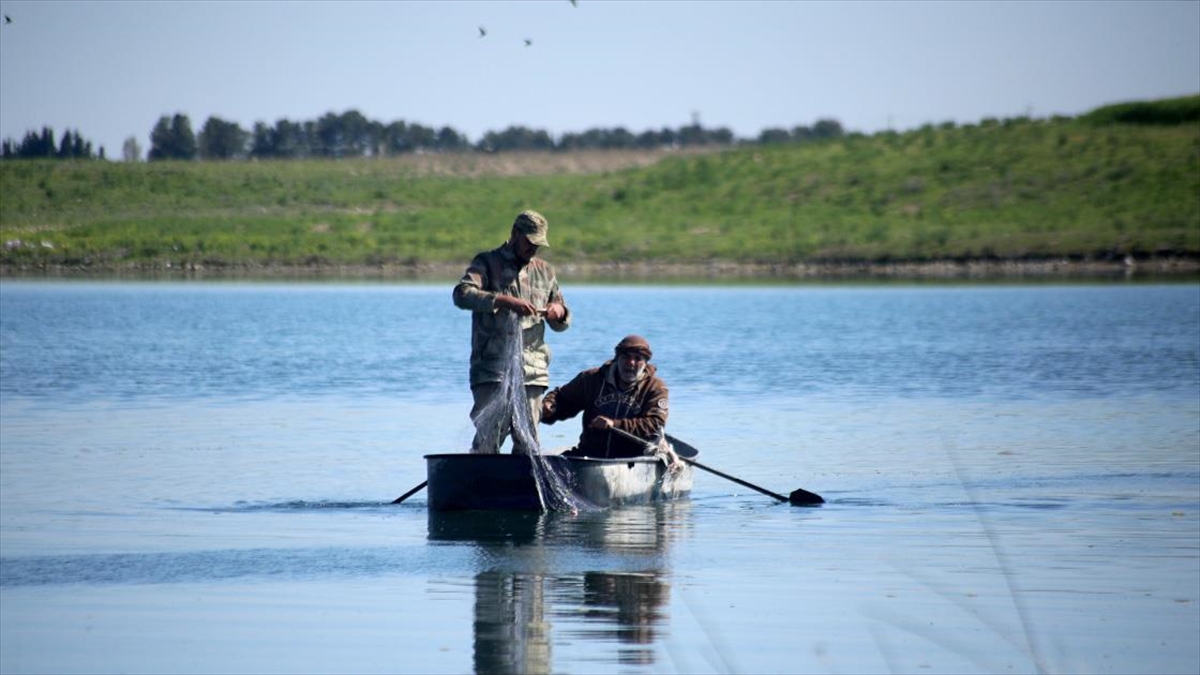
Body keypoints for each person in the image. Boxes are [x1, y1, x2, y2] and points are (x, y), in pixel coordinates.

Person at [452, 210, 571, 454]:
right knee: (488, 438)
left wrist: (558, 312)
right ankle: (480, 476)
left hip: (533, 371)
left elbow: (562, 316)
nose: (533, 249)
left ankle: (522, 478)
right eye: (529, 242)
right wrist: (503, 301)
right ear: (515, 234)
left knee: (528, 442)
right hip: (492, 369)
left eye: (538, 244)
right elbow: (461, 295)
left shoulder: (545, 271)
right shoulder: (487, 263)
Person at [540, 335, 668, 458]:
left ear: (645, 363)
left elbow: (654, 424)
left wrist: (614, 424)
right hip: (590, 453)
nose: (631, 362)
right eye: (626, 356)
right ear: (617, 358)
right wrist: (550, 406)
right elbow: (562, 397)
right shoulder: (591, 379)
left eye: (638, 358)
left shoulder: (655, 387)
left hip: (633, 459)